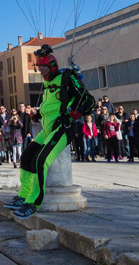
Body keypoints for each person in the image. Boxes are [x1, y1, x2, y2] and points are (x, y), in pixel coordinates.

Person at [6, 45, 93, 218]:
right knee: (26, 157)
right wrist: (39, 113)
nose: (42, 72)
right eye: (39, 69)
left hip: (61, 127)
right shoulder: (47, 82)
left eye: (44, 68)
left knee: (40, 160)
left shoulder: (67, 78)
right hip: (47, 128)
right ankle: (23, 196)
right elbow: (51, 102)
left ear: (52, 66)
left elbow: (88, 100)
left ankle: (32, 203)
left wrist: (77, 113)